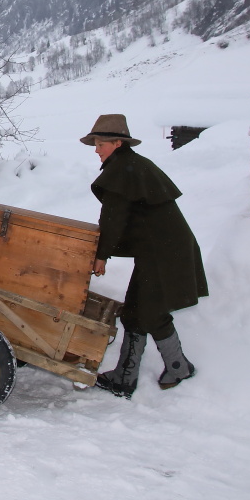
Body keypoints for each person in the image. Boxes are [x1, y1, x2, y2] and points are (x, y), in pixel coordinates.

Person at [83, 114, 208, 398]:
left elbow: (113, 219)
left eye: (101, 143)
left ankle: (178, 367)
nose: (96, 149)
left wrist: (101, 256)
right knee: (135, 311)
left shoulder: (124, 171)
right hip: (158, 251)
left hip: (164, 254)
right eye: (95, 144)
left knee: (151, 312)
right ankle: (125, 377)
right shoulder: (130, 165)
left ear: (117, 143)